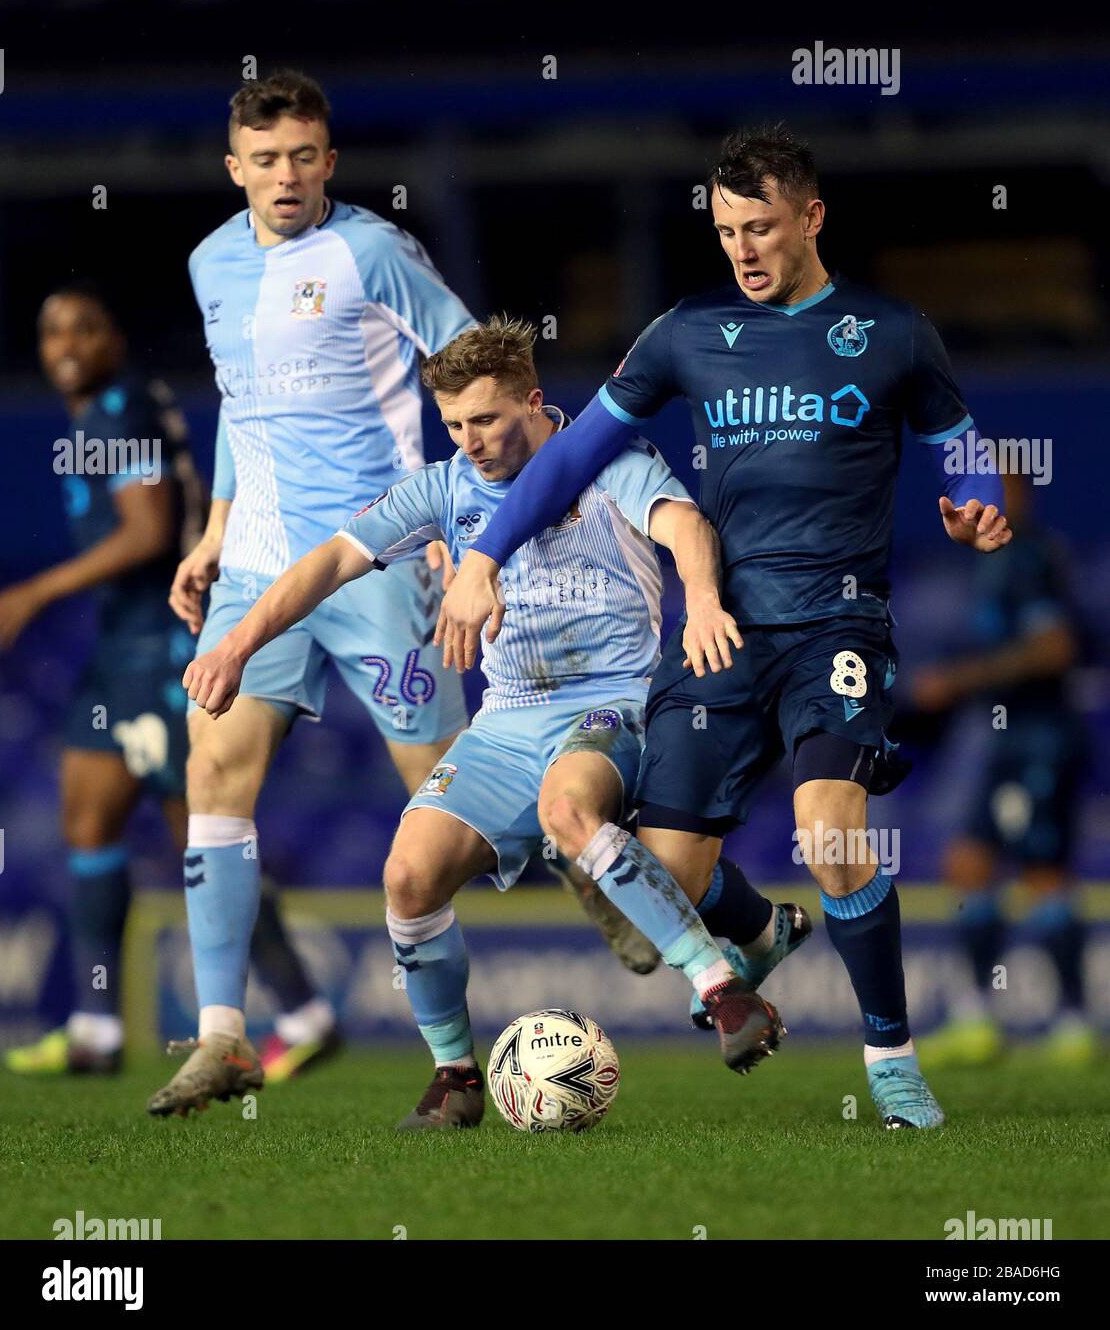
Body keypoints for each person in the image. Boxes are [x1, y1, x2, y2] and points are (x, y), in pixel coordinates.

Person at [433, 125, 1013, 1128]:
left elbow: (962, 450)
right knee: (665, 891)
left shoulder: (889, 331)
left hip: (833, 626)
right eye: (724, 231)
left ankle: (889, 1061)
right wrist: (482, 555)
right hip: (720, 635)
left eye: (759, 227)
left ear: (809, 216)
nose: (741, 250)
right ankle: (756, 935)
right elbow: (569, 462)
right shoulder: (683, 333)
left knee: (828, 830)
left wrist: (971, 498)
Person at [151, 70, 648, 1112]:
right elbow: (240, 410)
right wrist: (209, 533)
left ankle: (578, 860)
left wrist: (466, 528)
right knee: (213, 772)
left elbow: (479, 379)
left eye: (304, 156)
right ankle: (226, 1035)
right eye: (265, 159)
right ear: (232, 166)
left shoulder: (372, 251)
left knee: (450, 795)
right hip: (261, 565)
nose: (285, 176)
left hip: (381, 559)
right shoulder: (209, 265)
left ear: (329, 160)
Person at [174, 317, 785, 1125]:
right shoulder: (444, 488)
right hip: (506, 723)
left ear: (535, 401)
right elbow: (327, 560)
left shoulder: (613, 462)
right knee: (408, 876)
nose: (471, 441)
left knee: (568, 809)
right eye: (455, 424)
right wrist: (240, 645)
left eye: (488, 419)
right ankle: (456, 1077)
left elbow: (686, 528)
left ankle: (723, 990)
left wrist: (701, 600)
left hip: (612, 705)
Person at [0, 284, 201, 1076]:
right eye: (51, 332)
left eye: (85, 326)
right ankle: (96, 1028)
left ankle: (296, 1007)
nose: (66, 343)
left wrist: (37, 590)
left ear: (115, 337)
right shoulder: (98, 415)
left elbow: (149, 532)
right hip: (118, 649)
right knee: (86, 813)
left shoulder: (120, 411)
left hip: (162, 648)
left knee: (202, 837)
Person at [915, 476, 1095, 1067]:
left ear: (1019, 491)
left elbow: (1054, 649)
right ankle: (976, 1018)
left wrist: (960, 681)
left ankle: (1072, 1023)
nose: (982, 495)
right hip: (1006, 741)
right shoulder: (990, 560)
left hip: (1040, 742)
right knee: (967, 864)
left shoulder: (1030, 555)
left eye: (997, 483)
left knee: (1044, 875)